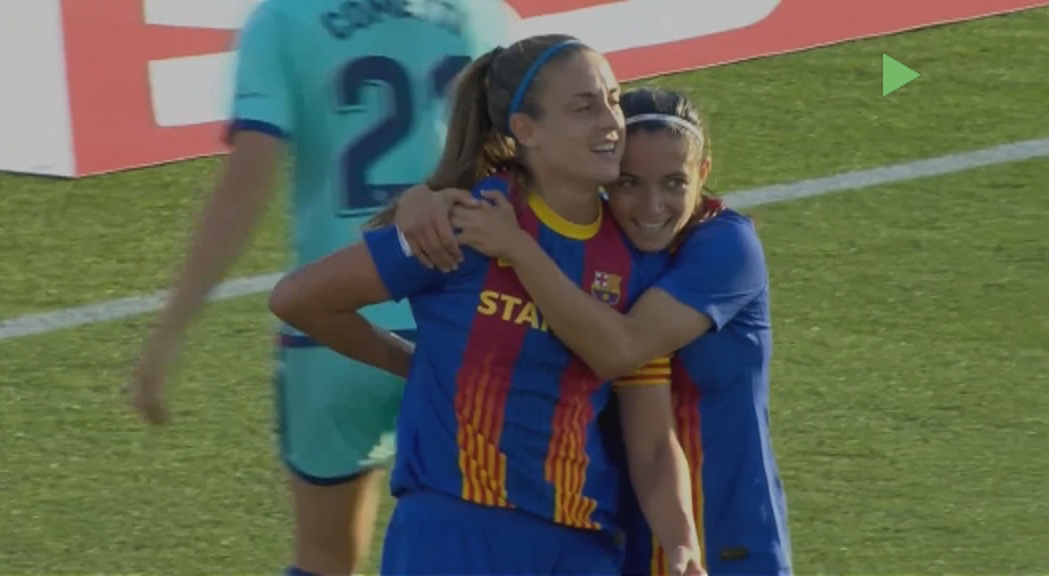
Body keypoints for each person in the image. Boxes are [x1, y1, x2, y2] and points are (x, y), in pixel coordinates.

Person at [267, 35, 704, 576]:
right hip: (453, 534)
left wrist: (682, 542)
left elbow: (652, 440)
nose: (611, 122)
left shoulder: (634, 254)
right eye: (584, 107)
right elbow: (300, 299)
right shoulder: (463, 222)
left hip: (578, 545)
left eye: (613, 100)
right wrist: (410, 363)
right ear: (526, 129)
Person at [124, 1, 510, 574]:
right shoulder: (486, 16)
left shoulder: (282, 20)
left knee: (323, 558)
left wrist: (169, 332)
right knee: (486, 549)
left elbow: (243, 191)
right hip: (463, 325)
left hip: (332, 332)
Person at [396, 86, 792, 576]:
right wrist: (423, 198)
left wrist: (517, 249)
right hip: (624, 537)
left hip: (726, 538)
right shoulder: (595, 250)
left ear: (703, 173)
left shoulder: (727, 249)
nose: (652, 206)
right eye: (629, 183)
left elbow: (620, 349)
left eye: (674, 182)